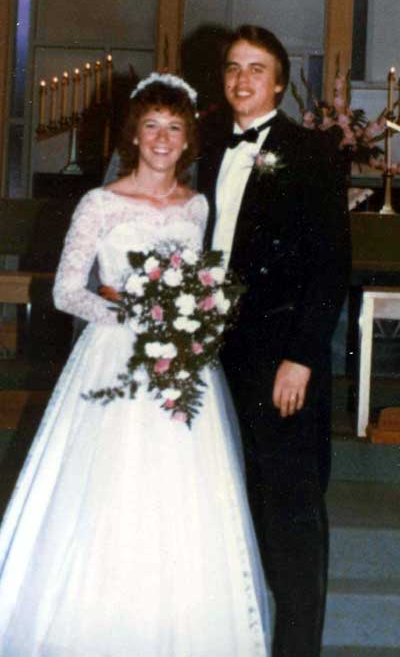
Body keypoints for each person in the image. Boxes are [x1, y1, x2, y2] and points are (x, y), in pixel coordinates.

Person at [0, 74, 270, 656]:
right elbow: (66, 291)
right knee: (111, 489)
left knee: (184, 494)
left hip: (181, 366)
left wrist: (189, 316)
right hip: (113, 359)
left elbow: (200, 282)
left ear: (188, 138)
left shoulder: (196, 207)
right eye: (151, 126)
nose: (162, 138)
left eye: (174, 127)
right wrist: (133, 316)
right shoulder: (100, 204)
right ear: (134, 135)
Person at [198, 25, 351, 657]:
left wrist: (302, 358)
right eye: (233, 67)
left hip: (280, 357)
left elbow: (330, 266)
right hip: (210, 357)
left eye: (256, 69)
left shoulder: (311, 152)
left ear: (280, 83)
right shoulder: (204, 146)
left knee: (291, 514)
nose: (242, 80)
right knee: (230, 504)